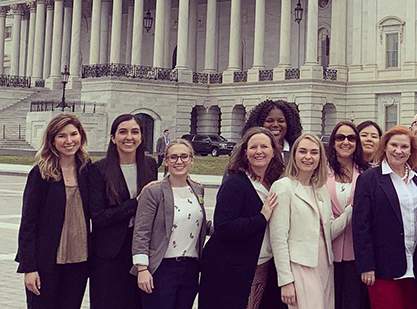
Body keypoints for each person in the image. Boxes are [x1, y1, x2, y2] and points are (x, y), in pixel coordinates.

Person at [198, 127, 283, 309]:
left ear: (274, 152)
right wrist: (261, 218)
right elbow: (224, 227)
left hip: (260, 262)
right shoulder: (236, 183)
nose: (258, 151)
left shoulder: (275, 182)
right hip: (228, 267)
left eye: (264, 147)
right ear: (245, 152)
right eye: (253, 147)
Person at [16, 114, 91, 309]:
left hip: (79, 261)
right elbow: (28, 224)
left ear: (81, 136)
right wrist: (29, 268)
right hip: (46, 262)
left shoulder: (87, 169)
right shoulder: (41, 173)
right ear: (52, 140)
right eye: (61, 136)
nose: (69, 141)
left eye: (73, 134)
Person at [270, 132, 352, 309]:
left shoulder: (320, 188)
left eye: (314, 152)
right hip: (300, 266)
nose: (308, 157)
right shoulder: (283, 187)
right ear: (294, 155)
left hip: (324, 265)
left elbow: (328, 231)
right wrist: (285, 281)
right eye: (303, 151)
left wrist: (351, 209)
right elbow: (278, 239)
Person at [87, 113, 158, 309]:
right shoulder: (98, 169)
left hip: (141, 248)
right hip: (109, 252)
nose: (129, 137)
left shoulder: (150, 164)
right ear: (113, 138)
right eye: (123, 132)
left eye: (135, 132)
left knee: (137, 302)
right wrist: (136, 203)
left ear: (141, 137)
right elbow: (99, 217)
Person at [353, 125, 417, 309]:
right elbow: (361, 225)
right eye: (394, 145)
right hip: (383, 267)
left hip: (415, 266)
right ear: (385, 147)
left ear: (411, 151)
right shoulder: (369, 179)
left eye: (404, 147)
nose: (398, 151)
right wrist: (366, 265)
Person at [132, 139, 210, 309]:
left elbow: (200, 223)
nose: (179, 161)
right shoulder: (154, 192)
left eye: (184, 156)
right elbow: (141, 232)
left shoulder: (198, 190)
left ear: (192, 160)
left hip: (190, 267)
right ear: (166, 162)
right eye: (173, 157)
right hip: (161, 268)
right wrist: (142, 269)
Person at [325, 121, 370, 309]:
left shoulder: (367, 173)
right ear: (333, 142)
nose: (346, 142)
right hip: (327, 254)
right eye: (340, 137)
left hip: (356, 254)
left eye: (351, 138)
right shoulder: (320, 173)